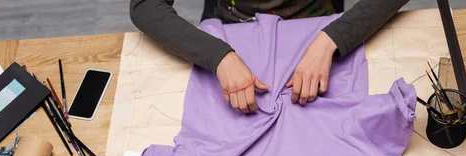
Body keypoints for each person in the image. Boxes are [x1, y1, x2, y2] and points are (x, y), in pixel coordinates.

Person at [130, 0, 409, 113]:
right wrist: (218, 56)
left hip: (319, 28)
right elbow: (145, 6)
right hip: (231, 30)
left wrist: (331, 39)